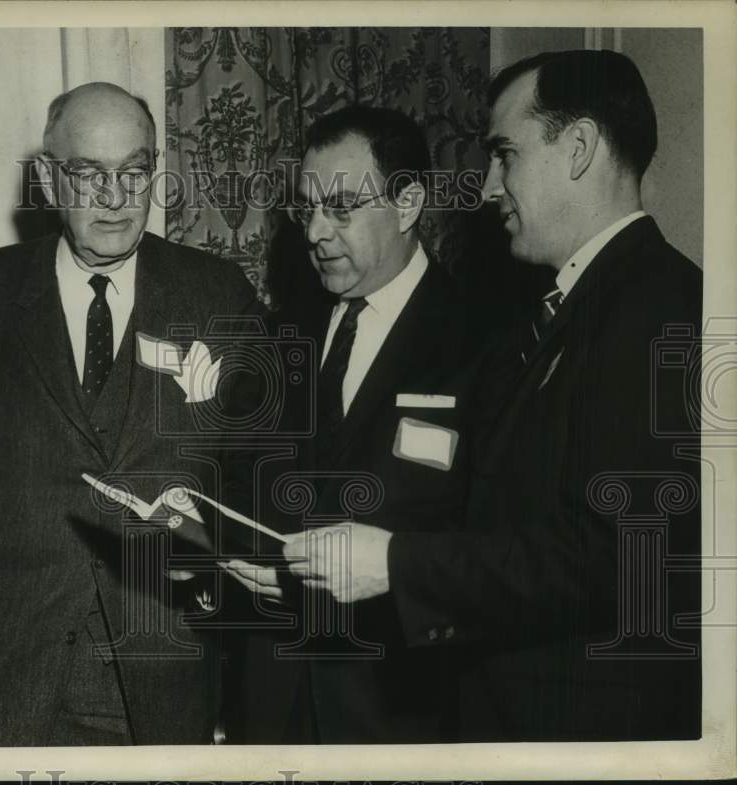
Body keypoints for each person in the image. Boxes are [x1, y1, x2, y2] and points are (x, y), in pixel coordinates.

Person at [273, 50, 703, 741]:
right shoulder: (574, 306)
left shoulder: (659, 308)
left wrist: (394, 562)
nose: (487, 187)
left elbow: (619, 555)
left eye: (505, 154)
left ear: (580, 147)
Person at [0, 82, 259, 745]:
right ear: (51, 181)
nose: (114, 196)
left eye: (134, 171)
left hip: (170, 661)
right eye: (88, 174)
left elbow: (258, 477)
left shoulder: (217, 293)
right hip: (15, 671)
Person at [223, 106, 484, 743]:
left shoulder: (486, 340)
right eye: (306, 209)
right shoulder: (284, 332)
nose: (315, 231)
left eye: (340, 208)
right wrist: (243, 548)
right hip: (275, 697)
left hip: (402, 708)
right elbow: (242, 468)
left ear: (408, 203)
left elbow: (494, 547)